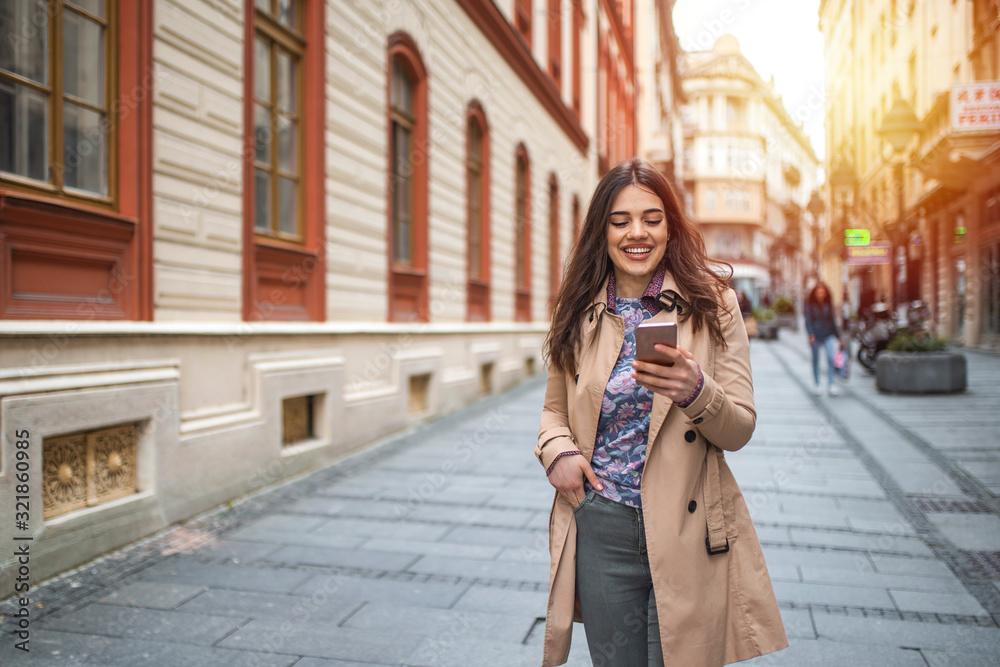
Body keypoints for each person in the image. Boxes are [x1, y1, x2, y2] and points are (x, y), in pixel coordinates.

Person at [535, 158, 787, 667]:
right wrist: (556, 452)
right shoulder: (579, 307)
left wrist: (697, 391)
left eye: (652, 218)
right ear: (601, 230)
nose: (637, 233)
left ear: (670, 225)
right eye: (620, 220)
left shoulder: (713, 304)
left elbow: (739, 428)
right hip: (601, 523)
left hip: (687, 524)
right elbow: (553, 411)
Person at [805, 282, 842, 396]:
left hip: (828, 335)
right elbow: (808, 320)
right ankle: (817, 384)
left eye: (822, 292)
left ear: (826, 293)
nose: (820, 294)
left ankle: (831, 385)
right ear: (815, 293)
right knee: (816, 360)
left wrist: (839, 337)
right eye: (818, 292)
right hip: (815, 335)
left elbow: (832, 321)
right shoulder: (810, 305)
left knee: (831, 359)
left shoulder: (828, 304)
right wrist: (811, 334)